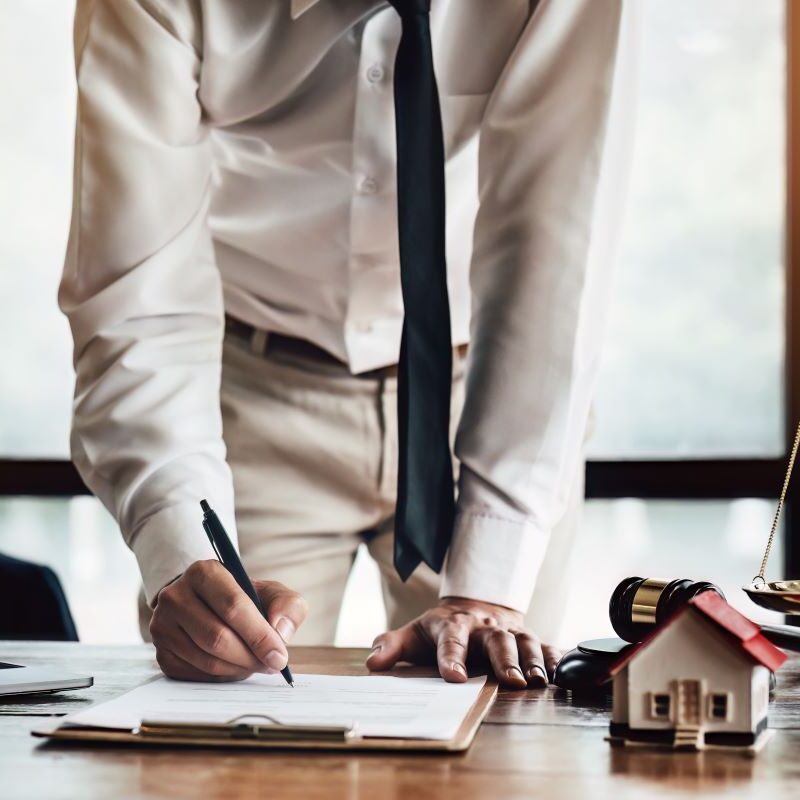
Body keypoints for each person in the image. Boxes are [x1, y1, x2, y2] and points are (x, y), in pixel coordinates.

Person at [61, 0, 635, 688]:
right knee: (227, 730)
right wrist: (180, 542)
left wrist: (490, 576)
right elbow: (138, 290)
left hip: (485, 397)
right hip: (251, 396)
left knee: (501, 730)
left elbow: (558, 250)